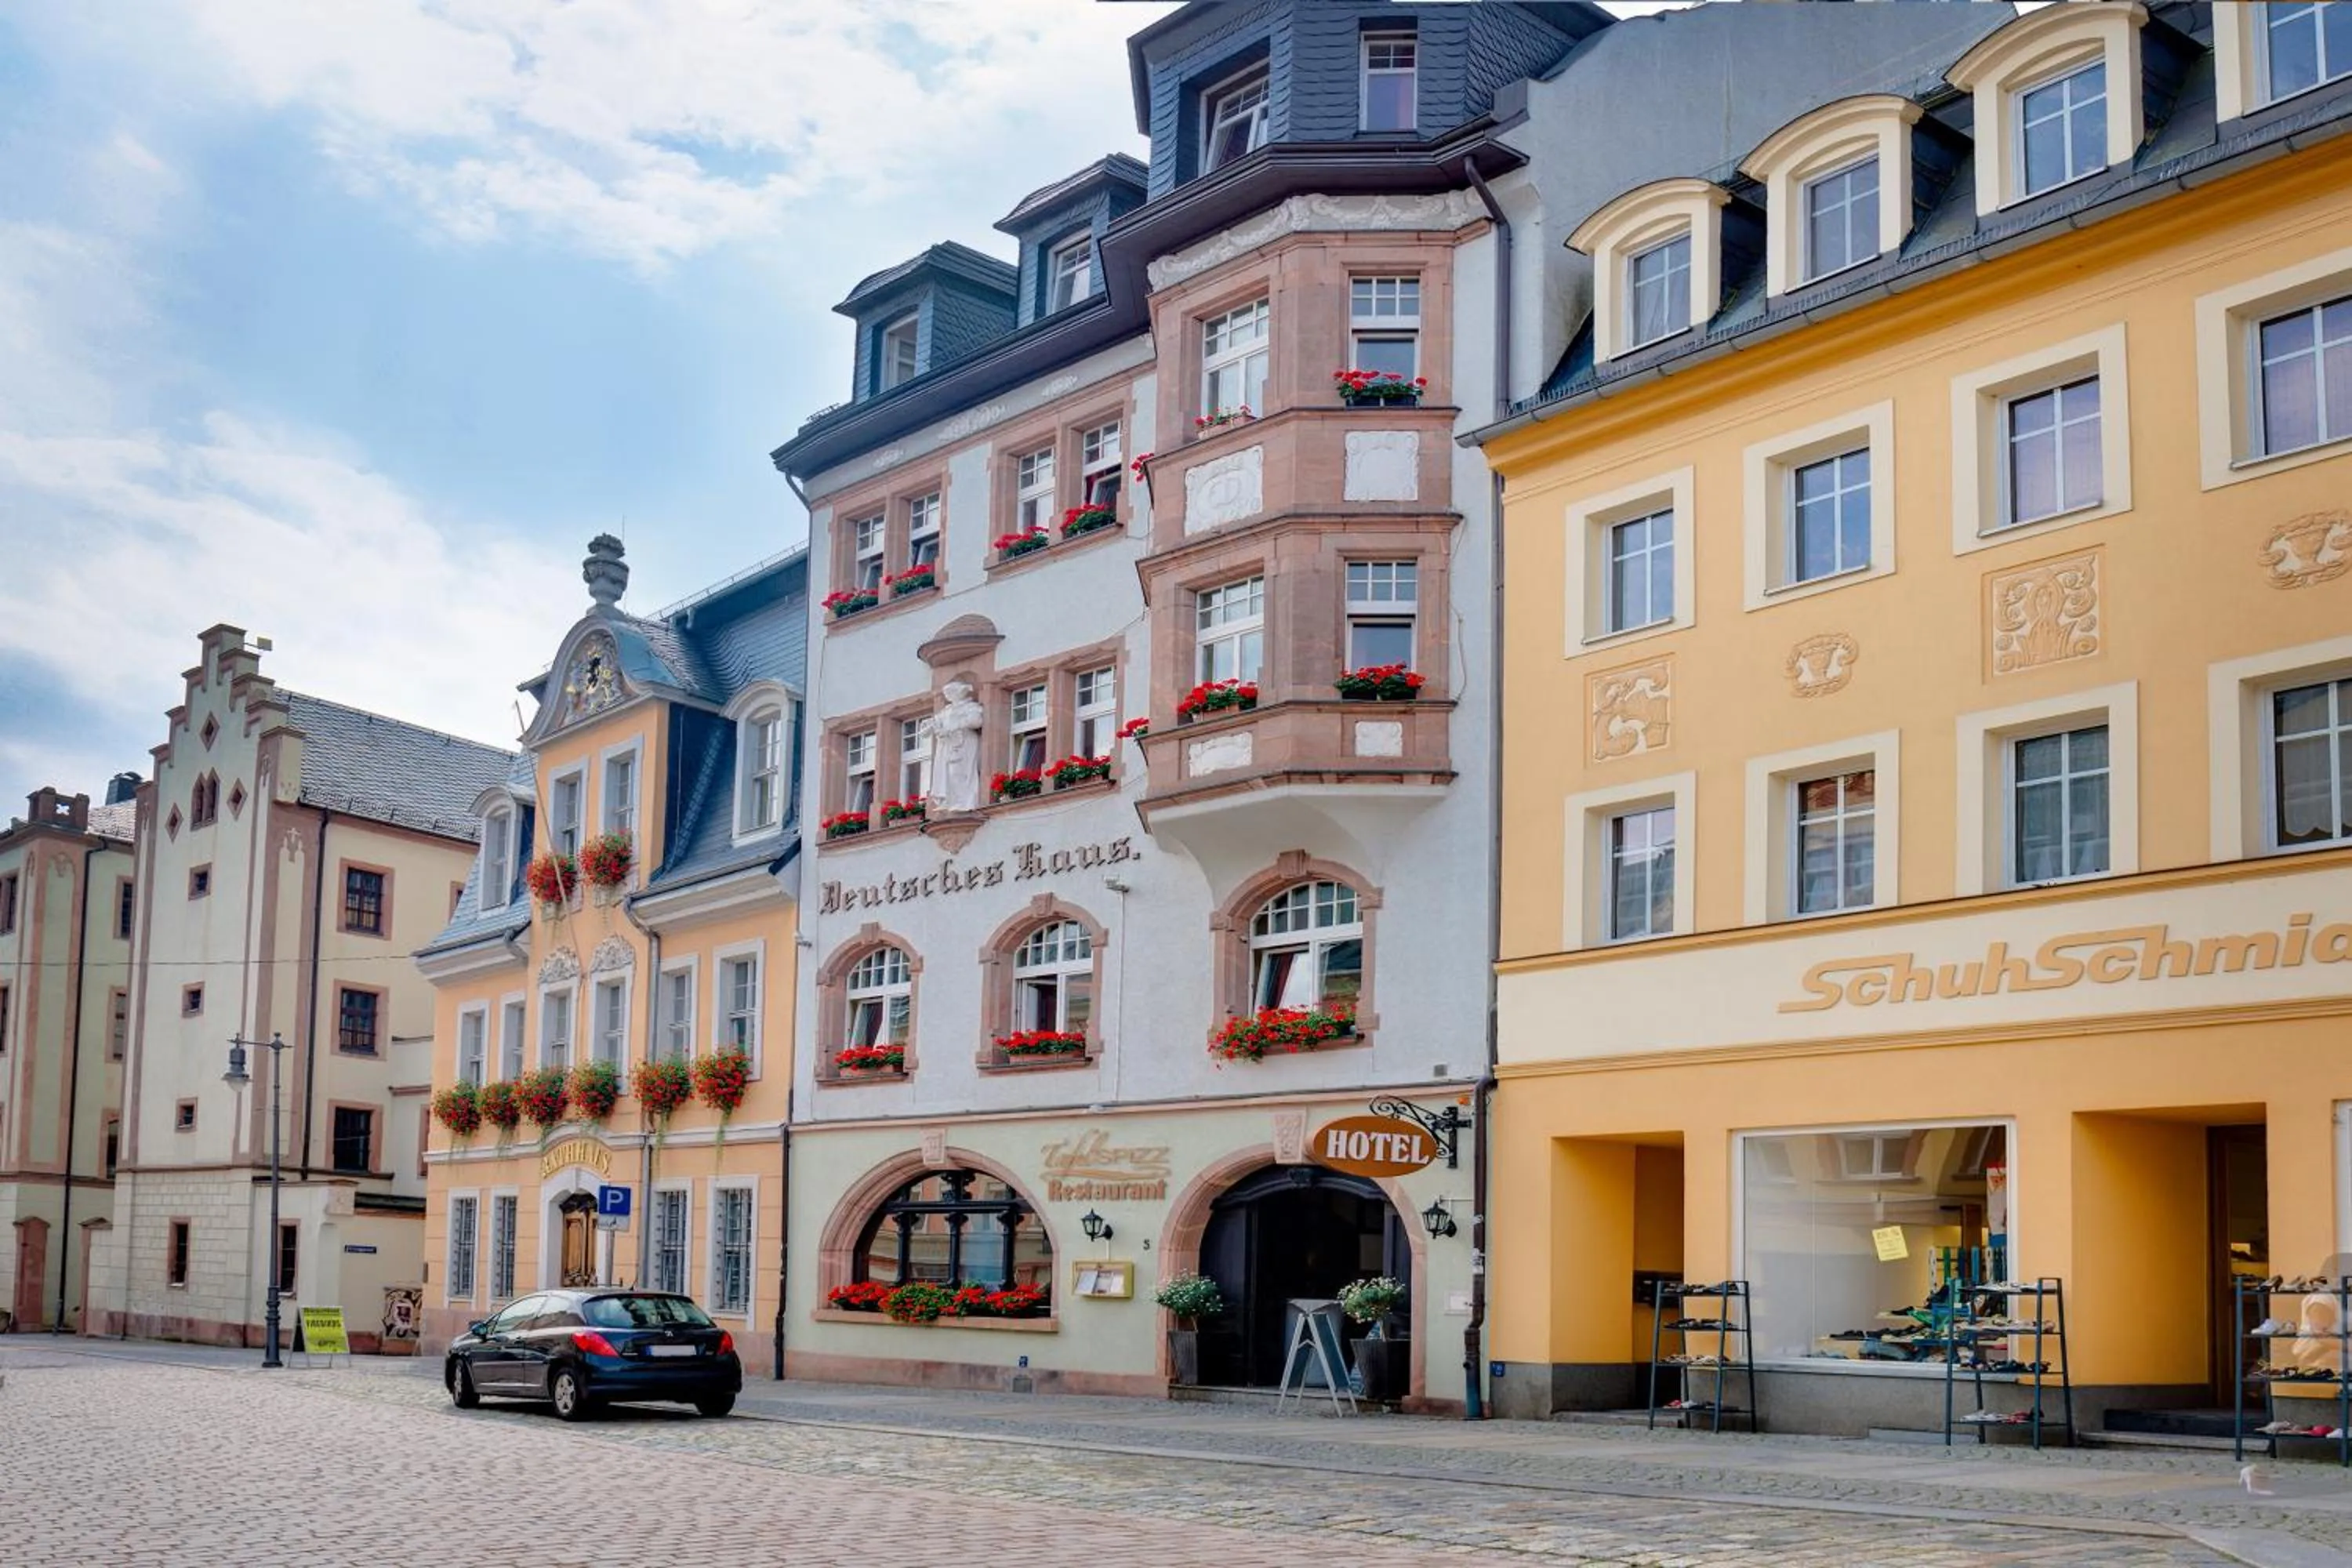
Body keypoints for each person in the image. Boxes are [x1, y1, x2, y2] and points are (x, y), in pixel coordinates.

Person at [924, 680, 985, 811]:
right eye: (947, 694)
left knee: (960, 772)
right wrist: (930, 727)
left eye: (950, 693)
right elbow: (931, 726)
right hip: (948, 745)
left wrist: (956, 725)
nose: (948, 696)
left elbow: (977, 721)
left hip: (964, 743)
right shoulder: (947, 710)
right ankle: (949, 800)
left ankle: (964, 801)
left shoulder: (970, 707)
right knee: (947, 773)